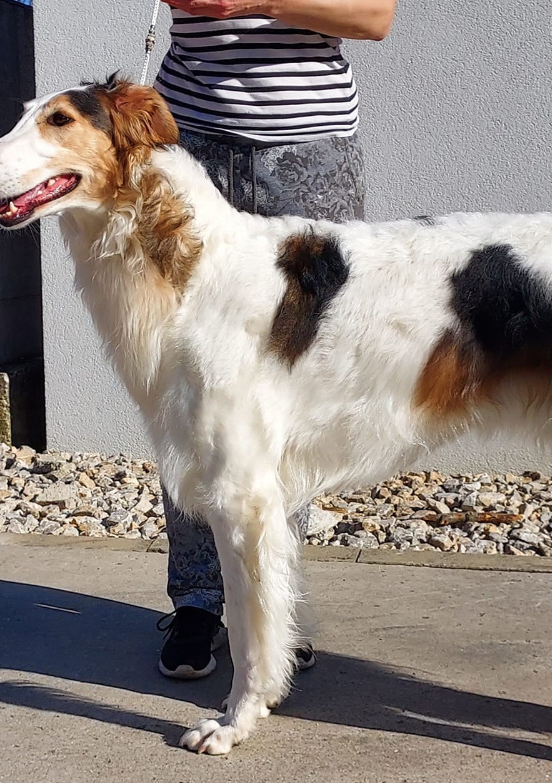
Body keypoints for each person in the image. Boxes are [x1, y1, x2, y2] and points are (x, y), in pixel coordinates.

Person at [150, 0, 396, 679]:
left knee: (296, 388)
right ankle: (198, 602)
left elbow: (374, 16)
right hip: (189, 143)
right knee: (187, 382)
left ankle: (270, 607)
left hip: (307, 153)